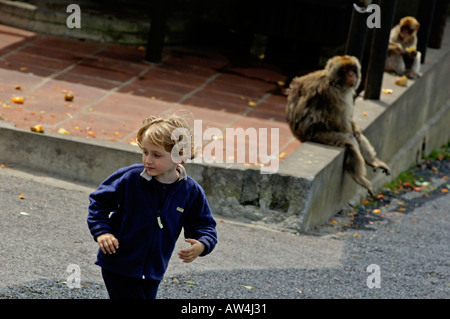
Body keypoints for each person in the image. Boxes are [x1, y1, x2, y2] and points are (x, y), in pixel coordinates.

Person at [87, 114, 217, 299]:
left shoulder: (190, 191)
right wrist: (102, 232)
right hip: (118, 264)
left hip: (153, 271)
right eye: (145, 152)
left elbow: (204, 225)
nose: (148, 160)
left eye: (156, 155)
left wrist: (203, 244)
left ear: (179, 156)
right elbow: (98, 203)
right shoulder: (129, 178)